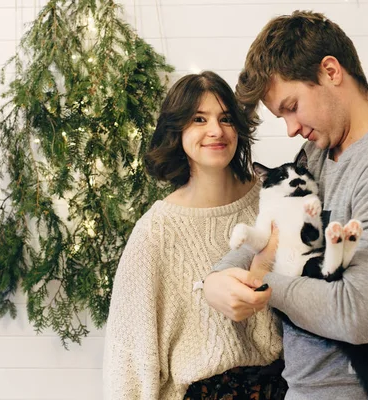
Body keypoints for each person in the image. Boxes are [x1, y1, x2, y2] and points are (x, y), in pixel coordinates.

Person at [203, 11, 368, 400]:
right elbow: (270, 232)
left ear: (330, 71)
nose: (291, 128)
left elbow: (354, 316)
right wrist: (217, 277)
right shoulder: (314, 153)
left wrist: (257, 281)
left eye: (291, 106)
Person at [102, 70, 287, 399]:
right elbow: (127, 360)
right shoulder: (155, 233)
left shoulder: (273, 201)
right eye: (199, 119)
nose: (216, 131)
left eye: (226, 118)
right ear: (177, 131)